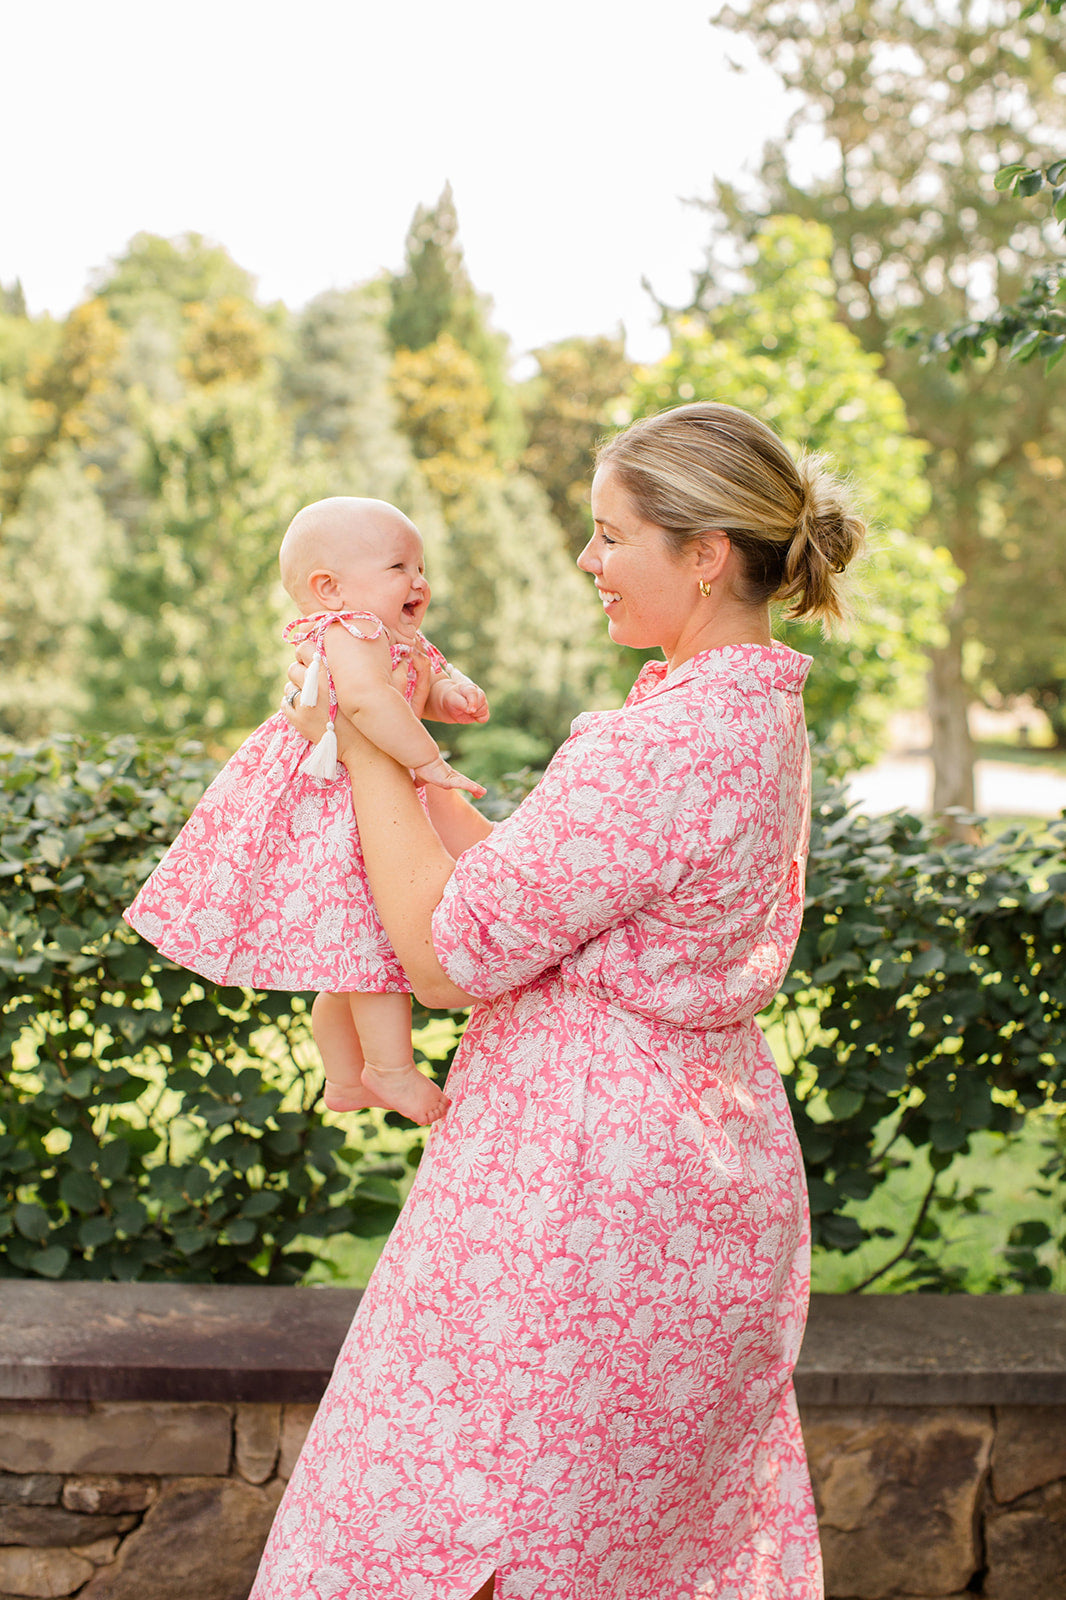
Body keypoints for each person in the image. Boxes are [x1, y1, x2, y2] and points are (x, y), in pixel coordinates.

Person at [249, 403, 865, 1600]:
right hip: (695, 1167)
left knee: (472, 1514)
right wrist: (402, 750)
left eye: (608, 533)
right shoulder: (748, 715)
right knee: (623, 1534)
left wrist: (372, 734)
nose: (587, 560)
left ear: (702, 555)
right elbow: (528, 897)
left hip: (576, 1190)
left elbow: (443, 955)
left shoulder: (663, 742)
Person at [125, 496, 489, 1127]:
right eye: (400, 566)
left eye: (421, 566)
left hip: (349, 798)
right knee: (372, 950)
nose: (420, 581)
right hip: (331, 802)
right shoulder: (349, 631)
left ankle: (346, 1079)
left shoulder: (391, 632)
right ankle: (389, 1071)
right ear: (329, 588)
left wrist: (450, 694)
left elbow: (417, 683)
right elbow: (371, 705)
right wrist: (428, 761)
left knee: (345, 958)